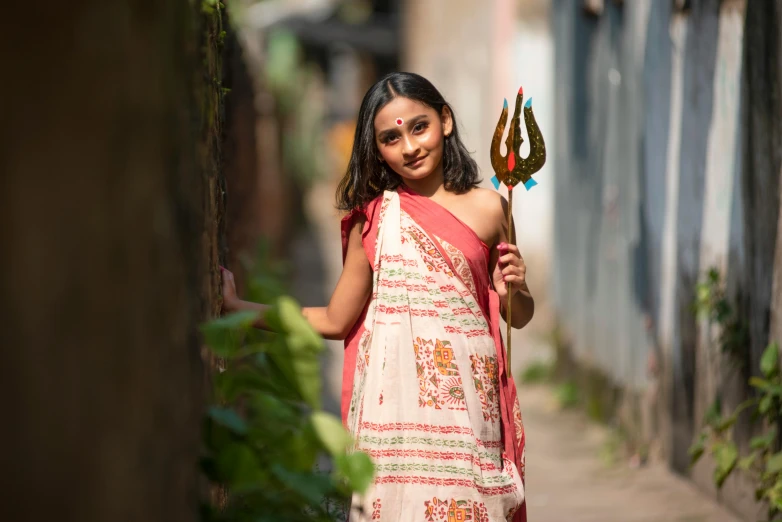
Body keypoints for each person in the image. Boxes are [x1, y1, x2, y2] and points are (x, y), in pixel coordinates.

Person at [221, 72, 533, 522]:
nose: (409, 147)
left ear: (445, 120)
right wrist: (239, 310)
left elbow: (517, 316)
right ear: (377, 148)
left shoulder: (490, 209)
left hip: (469, 404)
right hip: (396, 419)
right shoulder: (375, 219)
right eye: (391, 137)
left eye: (419, 127)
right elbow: (333, 319)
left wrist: (515, 289)